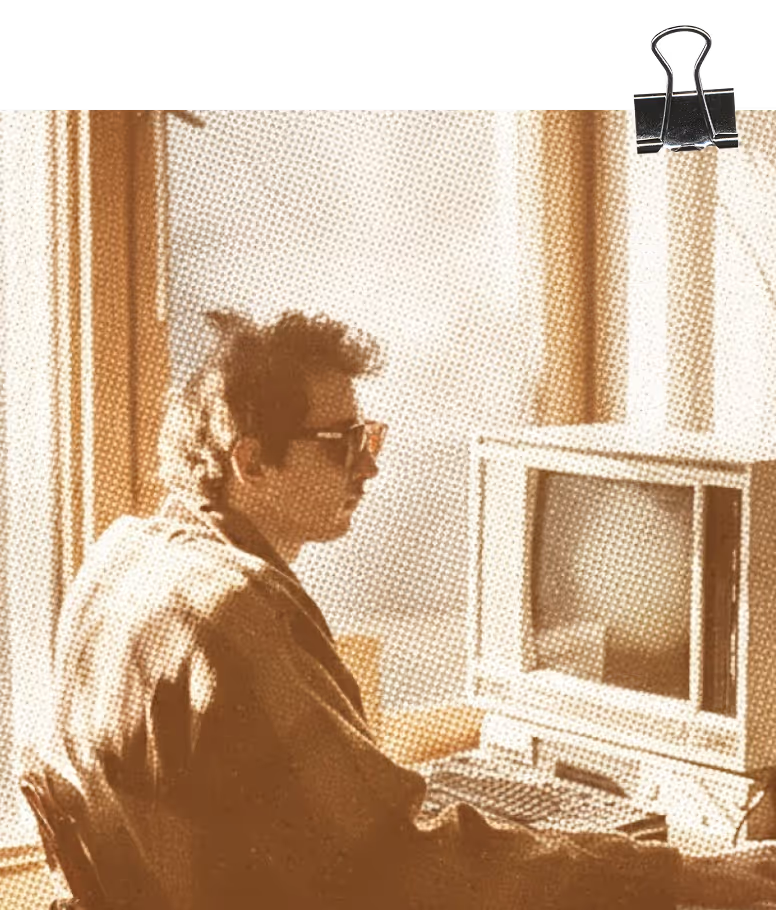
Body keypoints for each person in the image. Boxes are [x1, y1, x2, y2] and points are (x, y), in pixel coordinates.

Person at [36, 309, 776, 909]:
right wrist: (678, 877)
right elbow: (405, 865)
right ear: (251, 461)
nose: (370, 466)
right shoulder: (232, 612)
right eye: (342, 443)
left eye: (371, 436)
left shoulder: (121, 556)